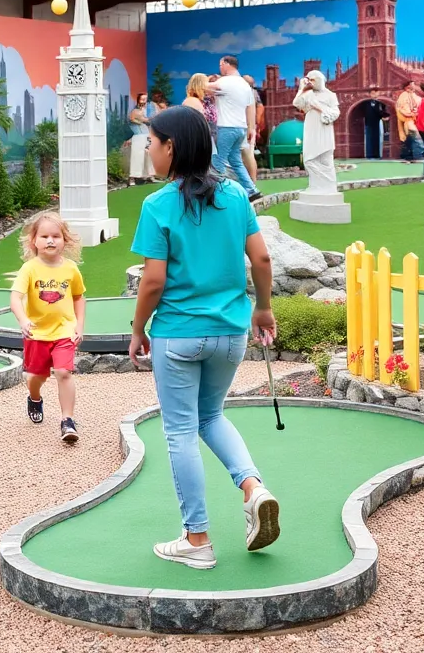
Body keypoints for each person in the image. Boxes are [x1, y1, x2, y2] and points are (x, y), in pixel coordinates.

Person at [128, 107, 280, 570]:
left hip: (178, 334)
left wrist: (137, 330)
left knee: (179, 432)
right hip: (230, 333)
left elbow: (152, 281)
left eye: (152, 142)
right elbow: (262, 259)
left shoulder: (158, 205)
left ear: (171, 146)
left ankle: (197, 540)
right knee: (211, 416)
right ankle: (254, 488)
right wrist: (264, 307)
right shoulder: (235, 194)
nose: (149, 149)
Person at [11, 212, 86, 443]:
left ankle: (67, 421)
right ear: (34, 240)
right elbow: (15, 298)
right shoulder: (30, 269)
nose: (50, 241)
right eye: (44, 236)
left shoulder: (71, 268)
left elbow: (78, 297)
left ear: (65, 240)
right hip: (37, 333)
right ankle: (34, 397)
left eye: (56, 236)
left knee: (63, 372)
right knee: (36, 376)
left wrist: (79, 325)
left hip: (64, 330)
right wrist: (24, 320)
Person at [205, 55, 263, 202]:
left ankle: (216, 194)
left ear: (226, 64)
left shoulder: (225, 81)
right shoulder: (245, 85)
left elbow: (200, 87)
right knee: (236, 161)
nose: (219, 68)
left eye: (220, 64)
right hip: (240, 128)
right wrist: (251, 128)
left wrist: (207, 79)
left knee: (218, 162)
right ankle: (251, 189)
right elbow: (251, 108)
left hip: (226, 126)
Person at [293, 70, 341, 195]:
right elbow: (297, 103)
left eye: (313, 80)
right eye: (309, 80)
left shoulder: (330, 95)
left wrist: (319, 108)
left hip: (324, 130)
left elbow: (335, 113)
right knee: (309, 159)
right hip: (311, 128)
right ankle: (315, 185)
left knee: (325, 159)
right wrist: (301, 89)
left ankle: (328, 186)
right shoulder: (308, 94)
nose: (311, 82)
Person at [182, 73, 218, 144]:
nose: (209, 85)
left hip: (211, 132)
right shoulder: (192, 101)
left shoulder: (208, 100)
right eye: (206, 82)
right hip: (201, 134)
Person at [128, 93, 152, 186]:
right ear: (138, 100)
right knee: (137, 157)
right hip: (138, 136)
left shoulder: (146, 110)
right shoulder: (135, 111)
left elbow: (148, 120)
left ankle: (148, 176)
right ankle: (132, 178)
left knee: (148, 156)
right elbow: (132, 118)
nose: (144, 101)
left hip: (146, 135)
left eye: (145, 99)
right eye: (142, 99)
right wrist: (141, 122)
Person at [396, 80, 421, 163]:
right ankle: (414, 157)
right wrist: (413, 114)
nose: (414, 86)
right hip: (409, 121)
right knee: (413, 138)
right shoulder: (404, 96)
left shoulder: (413, 95)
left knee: (411, 139)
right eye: (412, 84)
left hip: (415, 121)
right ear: (407, 87)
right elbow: (403, 110)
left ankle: (409, 156)